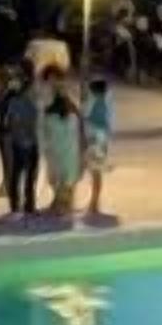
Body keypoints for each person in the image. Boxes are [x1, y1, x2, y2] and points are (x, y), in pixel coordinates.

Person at [0, 69, 43, 218]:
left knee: (20, 175)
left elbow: (6, 123)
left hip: (21, 141)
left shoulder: (16, 101)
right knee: (25, 175)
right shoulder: (27, 102)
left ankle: (19, 206)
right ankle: (26, 205)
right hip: (26, 142)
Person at [39, 78, 84, 218]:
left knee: (57, 180)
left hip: (55, 152)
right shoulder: (74, 114)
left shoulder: (48, 114)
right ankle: (65, 205)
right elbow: (81, 132)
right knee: (68, 181)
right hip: (70, 152)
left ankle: (60, 204)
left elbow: (43, 133)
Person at [81, 75, 114, 219]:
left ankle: (94, 203)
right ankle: (94, 202)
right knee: (96, 173)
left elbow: (85, 116)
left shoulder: (95, 103)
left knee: (95, 173)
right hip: (101, 140)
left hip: (95, 140)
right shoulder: (106, 104)